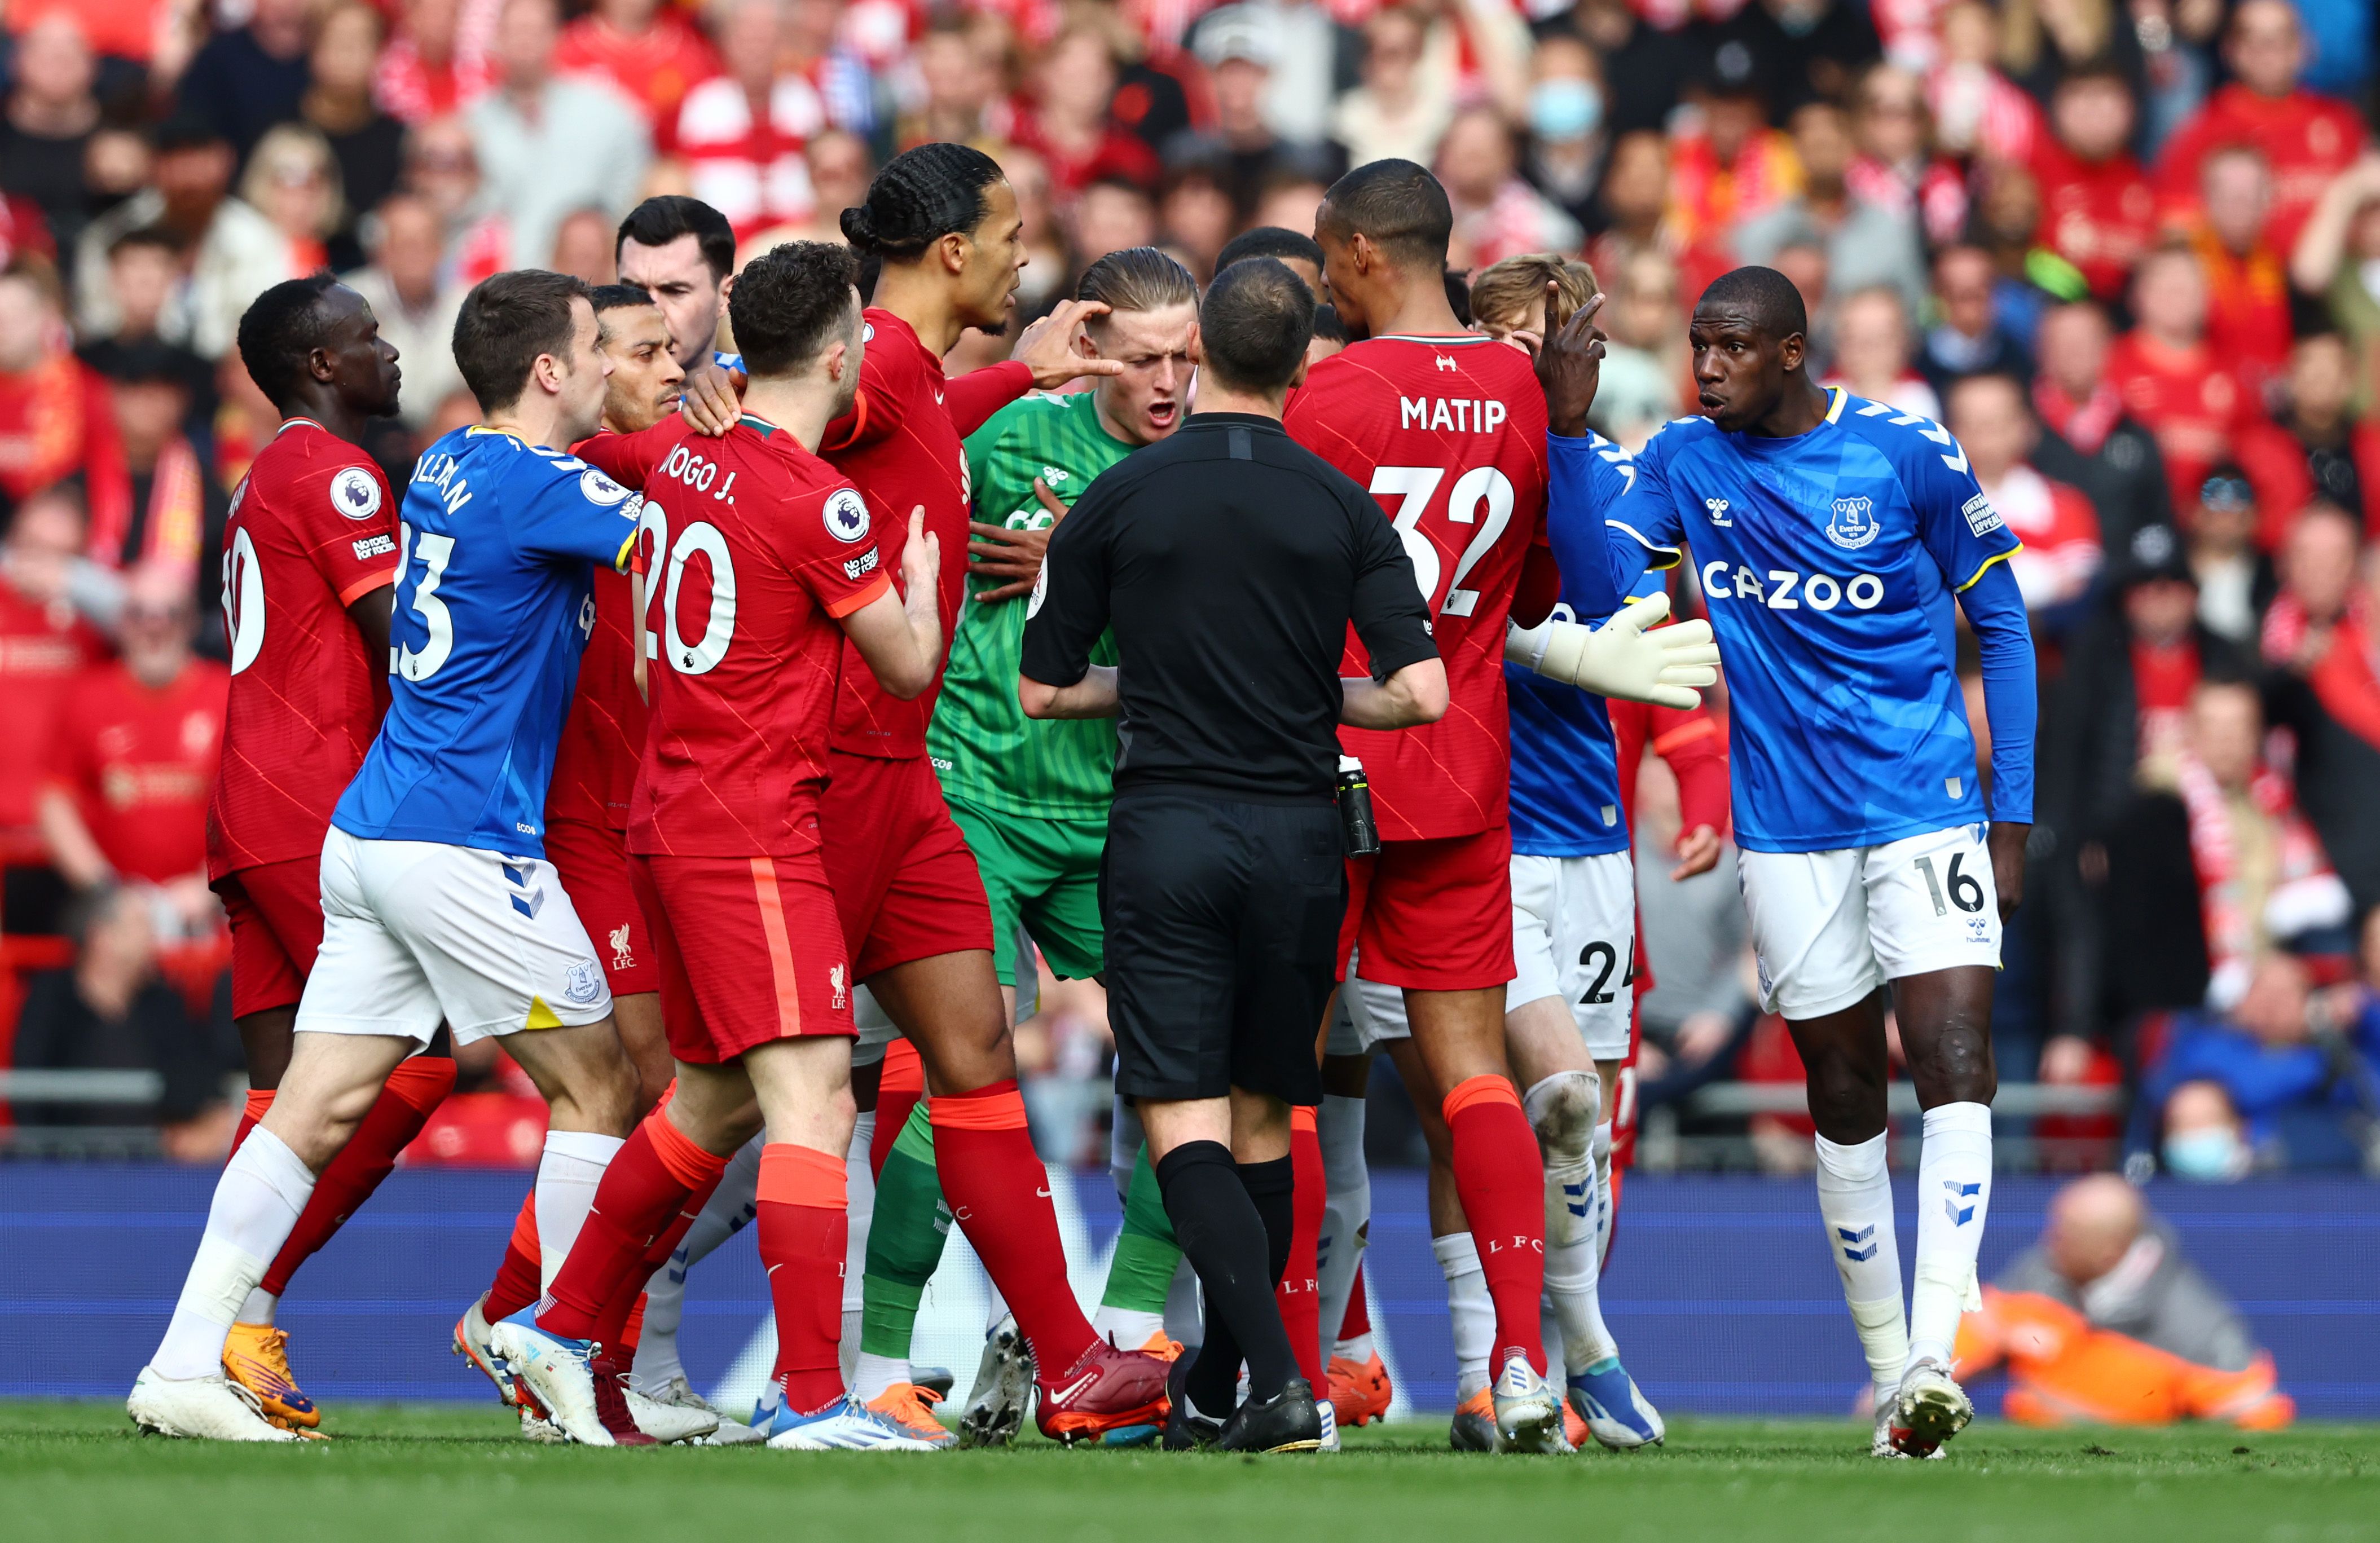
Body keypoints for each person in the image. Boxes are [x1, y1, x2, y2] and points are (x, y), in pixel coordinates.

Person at [126, 269, 645, 1443]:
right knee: (601, 1084)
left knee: (303, 1109)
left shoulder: (442, 461)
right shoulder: (375, 472)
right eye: (366, 336)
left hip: (345, 821)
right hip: (421, 819)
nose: (387, 350)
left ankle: (186, 1358)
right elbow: (704, 552)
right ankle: (556, 1347)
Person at [490, 241, 955, 1452]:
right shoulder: (823, 501)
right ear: (846, 353)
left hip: (665, 819)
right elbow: (906, 670)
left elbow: (582, 464)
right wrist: (922, 588)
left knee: (702, 1107)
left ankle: (561, 1319)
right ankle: (810, 1396)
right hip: (753, 830)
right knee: (811, 1104)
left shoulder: (687, 457)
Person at [1569, 263, 2038, 1458]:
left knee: (1956, 1054)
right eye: (1695, 345)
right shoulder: (1683, 460)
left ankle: (1937, 1353)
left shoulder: (1905, 453)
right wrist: (1631, 611)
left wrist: (2012, 817)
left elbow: (2004, 622)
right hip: (1788, 827)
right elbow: (1611, 565)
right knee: (1841, 1091)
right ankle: (1895, 1381)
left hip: (1924, 804)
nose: (1707, 365)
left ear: (1791, 353)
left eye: (1730, 347)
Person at [1018, 255, 1448, 1454]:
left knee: (1182, 1120)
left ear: (1198, 350)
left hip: (1172, 834)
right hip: (1302, 838)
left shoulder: (1120, 498)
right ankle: (1241, 1380)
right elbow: (1419, 693)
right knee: (1268, 1114)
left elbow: (1044, 692)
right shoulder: (1342, 504)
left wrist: (1150, 685)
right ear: (1304, 363)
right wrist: (1312, 704)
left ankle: (1276, 1380)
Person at [809, 142, 1171, 1449]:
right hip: (941, 781)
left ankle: (1094, 1344)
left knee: (979, 1062)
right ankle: (852, 1362)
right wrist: (663, 443)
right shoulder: (917, 379)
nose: (1029, 249)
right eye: (1011, 229)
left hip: (1049, 796)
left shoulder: (920, 378)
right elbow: (790, 444)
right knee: (800, 1086)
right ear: (953, 249)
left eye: (1187, 356)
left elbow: (859, 443)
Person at [1284, 157, 1569, 1452]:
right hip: (1458, 757)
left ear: (1352, 254)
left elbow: (1266, 571)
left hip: (1325, 755)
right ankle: (1520, 1364)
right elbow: (1528, 587)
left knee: (1276, 1071)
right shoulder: (1518, 385)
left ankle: (1296, 1381)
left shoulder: (1334, 392)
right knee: (1471, 1074)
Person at [179, 275, 457, 1433]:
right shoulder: (337, 474)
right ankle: (244, 1309)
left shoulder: (267, 476)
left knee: (279, 1091)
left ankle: (210, 1340)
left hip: (252, 800)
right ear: (320, 366)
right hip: (316, 801)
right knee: (418, 1058)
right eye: (370, 339)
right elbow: (411, 645)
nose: (392, 354)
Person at [451, 282, 715, 1448]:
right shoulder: (572, 471)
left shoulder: (637, 466)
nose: (665, 364)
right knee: (649, 1091)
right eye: (640, 347)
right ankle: (554, 1336)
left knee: (667, 1095)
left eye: (677, 345)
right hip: (572, 832)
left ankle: (528, 1323)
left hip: (650, 823)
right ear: (584, 361)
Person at [1951, 1175, 2294, 1428]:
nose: (2049, 1243)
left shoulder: (2193, 1321)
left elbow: (2260, 1414)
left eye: (2065, 1236)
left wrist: (2085, 1419)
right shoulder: (2037, 1274)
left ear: (2107, 1254)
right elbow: (1962, 1347)